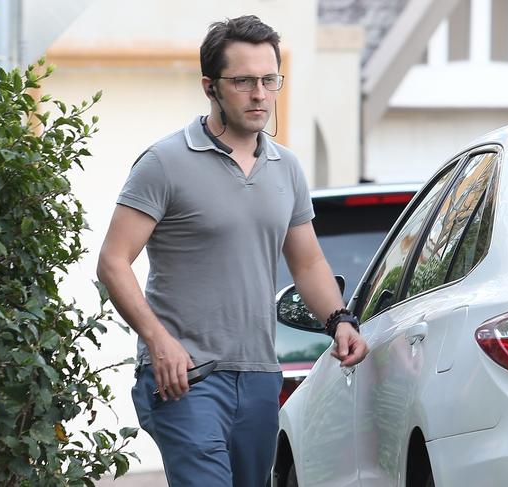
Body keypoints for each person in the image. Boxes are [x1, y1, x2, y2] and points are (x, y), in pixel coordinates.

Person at [96, 15, 368, 487]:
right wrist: (159, 343)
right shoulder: (164, 162)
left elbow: (307, 262)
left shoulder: (287, 168)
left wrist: (339, 320)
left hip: (261, 375)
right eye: (243, 81)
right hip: (187, 378)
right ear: (211, 87)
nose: (259, 94)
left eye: (269, 80)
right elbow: (112, 262)